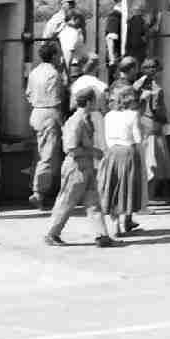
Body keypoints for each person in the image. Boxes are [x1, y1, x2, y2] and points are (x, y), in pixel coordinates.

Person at [44, 87, 115, 248]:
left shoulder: (86, 118)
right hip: (76, 167)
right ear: (89, 102)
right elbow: (70, 147)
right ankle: (51, 233)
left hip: (88, 165)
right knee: (67, 200)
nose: (97, 102)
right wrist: (93, 151)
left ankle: (101, 235)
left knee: (94, 202)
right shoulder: (76, 121)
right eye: (95, 100)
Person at [98, 86, 143, 237]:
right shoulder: (133, 115)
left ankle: (116, 224)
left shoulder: (108, 116)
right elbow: (138, 138)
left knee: (113, 187)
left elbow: (105, 137)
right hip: (128, 151)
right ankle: (128, 219)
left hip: (111, 152)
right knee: (128, 187)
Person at [25, 41, 65, 209]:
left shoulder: (34, 72)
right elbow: (58, 97)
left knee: (39, 154)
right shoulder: (54, 74)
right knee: (47, 156)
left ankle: (37, 188)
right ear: (54, 56)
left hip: (35, 112)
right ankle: (39, 192)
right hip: (49, 112)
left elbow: (28, 93)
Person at [134, 58, 170, 203]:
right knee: (153, 164)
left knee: (145, 163)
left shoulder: (137, 86)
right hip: (153, 127)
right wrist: (166, 120)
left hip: (140, 124)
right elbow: (157, 110)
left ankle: (144, 197)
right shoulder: (156, 89)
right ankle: (148, 198)